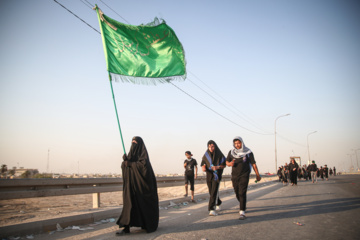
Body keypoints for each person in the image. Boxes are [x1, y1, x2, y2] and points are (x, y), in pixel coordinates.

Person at [116, 137, 159, 235]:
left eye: (135, 142)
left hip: (142, 188)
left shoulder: (144, 158)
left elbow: (143, 166)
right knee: (129, 205)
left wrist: (130, 164)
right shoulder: (131, 156)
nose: (133, 144)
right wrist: (125, 162)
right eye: (132, 142)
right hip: (131, 187)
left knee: (143, 205)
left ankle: (147, 224)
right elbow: (127, 168)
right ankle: (126, 228)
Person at [226, 136, 261, 220]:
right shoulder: (231, 152)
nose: (237, 145)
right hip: (234, 175)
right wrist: (230, 164)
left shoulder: (248, 152)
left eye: (238, 143)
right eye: (235, 143)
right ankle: (243, 203)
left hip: (244, 175)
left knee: (242, 192)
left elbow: (253, 164)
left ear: (242, 143)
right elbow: (227, 162)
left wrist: (257, 174)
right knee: (237, 192)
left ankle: (242, 211)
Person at [201, 140, 226, 216]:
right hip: (209, 175)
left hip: (216, 176)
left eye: (212, 146)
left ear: (215, 146)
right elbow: (203, 163)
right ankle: (218, 202)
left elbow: (224, 165)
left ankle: (211, 209)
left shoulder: (220, 155)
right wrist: (203, 167)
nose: (211, 148)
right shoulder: (206, 155)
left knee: (214, 192)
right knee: (211, 192)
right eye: (209, 147)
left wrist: (217, 167)